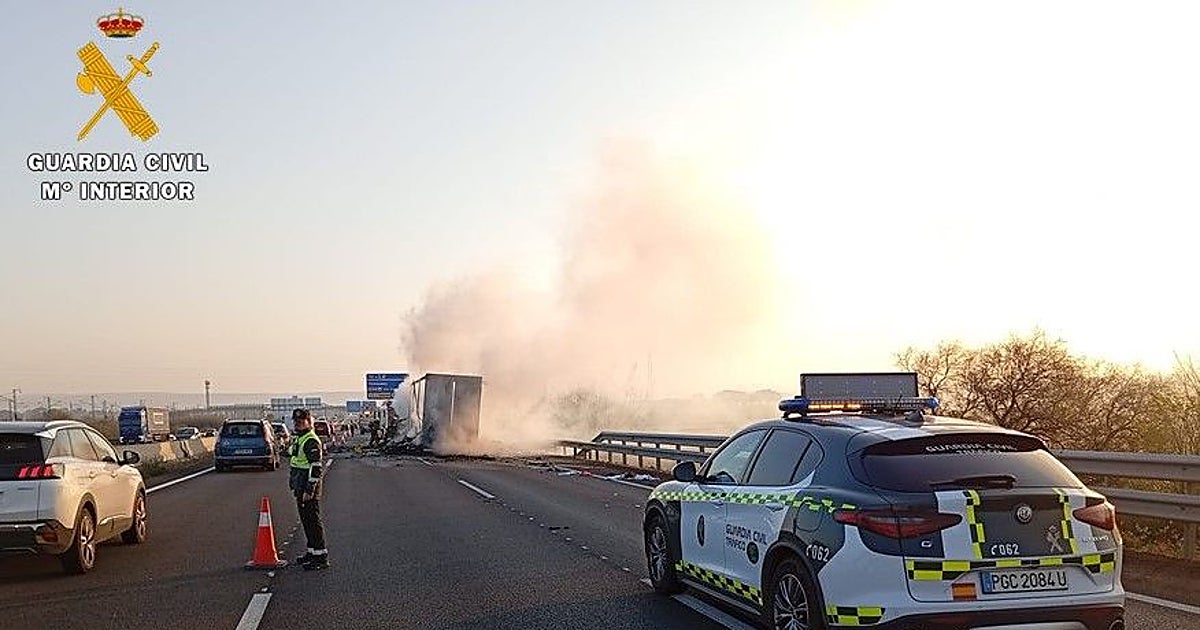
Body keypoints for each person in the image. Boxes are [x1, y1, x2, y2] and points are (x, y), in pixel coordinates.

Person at [289, 408, 329, 570]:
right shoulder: (300, 438)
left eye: (300, 422)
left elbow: (316, 467)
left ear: (308, 421)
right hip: (300, 484)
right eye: (296, 422)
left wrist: (309, 489)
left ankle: (321, 557)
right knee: (306, 521)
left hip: (307, 486)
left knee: (312, 521)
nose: (297, 424)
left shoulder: (311, 440)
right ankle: (312, 552)